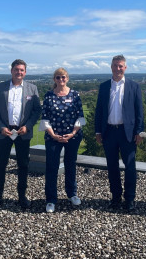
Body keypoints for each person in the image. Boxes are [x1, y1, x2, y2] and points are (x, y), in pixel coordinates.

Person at [0, 59, 42, 208]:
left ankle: (21, 196)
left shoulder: (32, 88)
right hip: (4, 132)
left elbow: (37, 110)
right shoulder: (0, 88)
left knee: (23, 165)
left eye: (22, 70)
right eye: (16, 69)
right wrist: (0, 127)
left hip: (22, 132)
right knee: (1, 165)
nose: (19, 72)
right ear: (11, 70)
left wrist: (28, 126)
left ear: (25, 72)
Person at [95, 55, 144, 212]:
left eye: (121, 66)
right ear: (111, 67)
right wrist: (98, 131)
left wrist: (138, 132)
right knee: (112, 167)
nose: (118, 68)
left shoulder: (133, 86)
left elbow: (139, 112)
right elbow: (99, 111)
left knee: (130, 166)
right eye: (115, 65)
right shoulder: (103, 86)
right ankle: (115, 197)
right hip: (109, 132)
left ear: (125, 68)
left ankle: (129, 199)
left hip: (127, 133)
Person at [39, 68, 86, 213]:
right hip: (53, 137)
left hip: (72, 137)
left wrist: (72, 133)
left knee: (70, 164)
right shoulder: (49, 96)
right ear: (54, 79)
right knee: (51, 167)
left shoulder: (75, 95)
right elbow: (45, 118)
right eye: (58, 77)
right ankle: (51, 199)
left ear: (67, 78)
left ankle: (72, 194)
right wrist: (53, 135)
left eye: (63, 77)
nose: (61, 80)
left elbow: (80, 117)